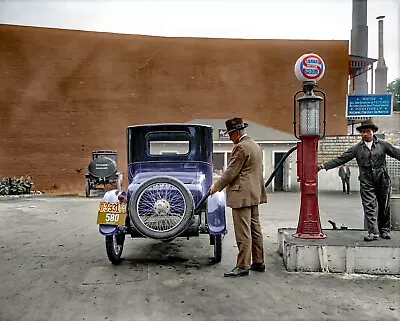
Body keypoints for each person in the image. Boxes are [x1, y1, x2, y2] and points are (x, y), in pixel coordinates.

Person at [318, 119, 400, 241]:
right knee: (369, 206)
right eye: (362, 132)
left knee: (384, 206)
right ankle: (373, 232)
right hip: (366, 181)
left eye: (367, 131)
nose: (365, 134)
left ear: (373, 132)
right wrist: (322, 166)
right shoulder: (356, 148)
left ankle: (385, 230)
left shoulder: (383, 145)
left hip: (382, 180)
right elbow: (341, 159)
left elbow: (397, 153)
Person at [210, 117, 267, 277]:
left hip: (241, 195)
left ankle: (242, 266)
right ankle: (258, 261)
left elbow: (230, 172)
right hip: (254, 194)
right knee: (255, 229)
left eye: (230, 134)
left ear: (236, 133)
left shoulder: (241, 148)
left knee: (243, 232)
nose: (230, 138)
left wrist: (215, 187)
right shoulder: (254, 145)